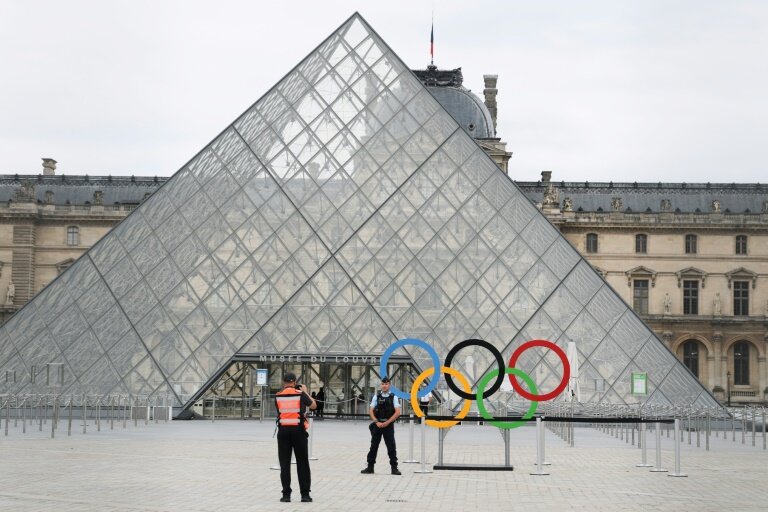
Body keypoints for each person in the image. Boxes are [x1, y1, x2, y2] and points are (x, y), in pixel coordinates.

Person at [275, 372, 316, 503]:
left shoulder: (278, 396)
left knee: (285, 463)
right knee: (302, 463)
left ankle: (286, 495)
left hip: (283, 431)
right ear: (294, 382)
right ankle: (305, 495)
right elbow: (314, 406)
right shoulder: (300, 394)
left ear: (284, 381)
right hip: (298, 430)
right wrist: (305, 391)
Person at [361, 376, 401, 475]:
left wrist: (387, 422)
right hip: (377, 425)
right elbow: (371, 410)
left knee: (391, 447)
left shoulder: (394, 397)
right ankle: (370, 467)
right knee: (373, 446)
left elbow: (397, 412)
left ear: (389, 385)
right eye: (383, 384)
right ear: (381, 385)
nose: (384, 386)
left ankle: (394, 468)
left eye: (386, 384)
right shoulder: (376, 397)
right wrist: (376, 422)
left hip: (388, 425)